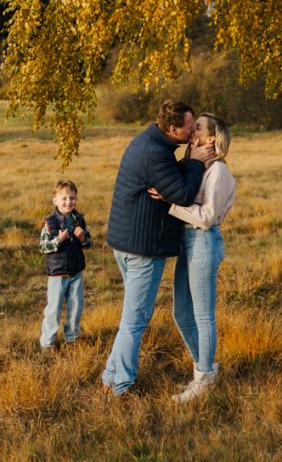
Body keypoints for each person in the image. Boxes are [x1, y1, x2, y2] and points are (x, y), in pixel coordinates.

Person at [101, 100, 215, 398]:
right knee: (135, 320)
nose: (192, 132)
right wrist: (195, 162)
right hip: (143, 249)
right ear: (172, 129)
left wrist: (185, 162)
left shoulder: (151, 143)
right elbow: (183, 194)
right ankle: (121, 387)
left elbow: (170, 181)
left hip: (128, 242)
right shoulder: (155, 153)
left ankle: (110, 377)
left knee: (131, 317)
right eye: (188, 127)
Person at [166, 113, 236, 402]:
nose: (190, 130)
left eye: (197, 127)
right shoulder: (199, 167)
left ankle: (204, 377)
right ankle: (204, 370)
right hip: (188, 241)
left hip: (204, 240)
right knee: (181, 313)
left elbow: (207, 217)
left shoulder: (219, 171)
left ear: (211, 138)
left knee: (203, 315)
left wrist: (170, 203)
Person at [39, 178, 92, 349]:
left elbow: (89, 243)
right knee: (54, 309)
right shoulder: (50, 223)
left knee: (76, 307)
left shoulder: (79, 220)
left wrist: (83, 238)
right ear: (55, 200)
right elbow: (43, 247)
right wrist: (58, 240)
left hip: (76, 271)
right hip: (57, 274)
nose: (68, 202)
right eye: (64, 198)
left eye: (72, 198)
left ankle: (72, 340)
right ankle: (47, 343)